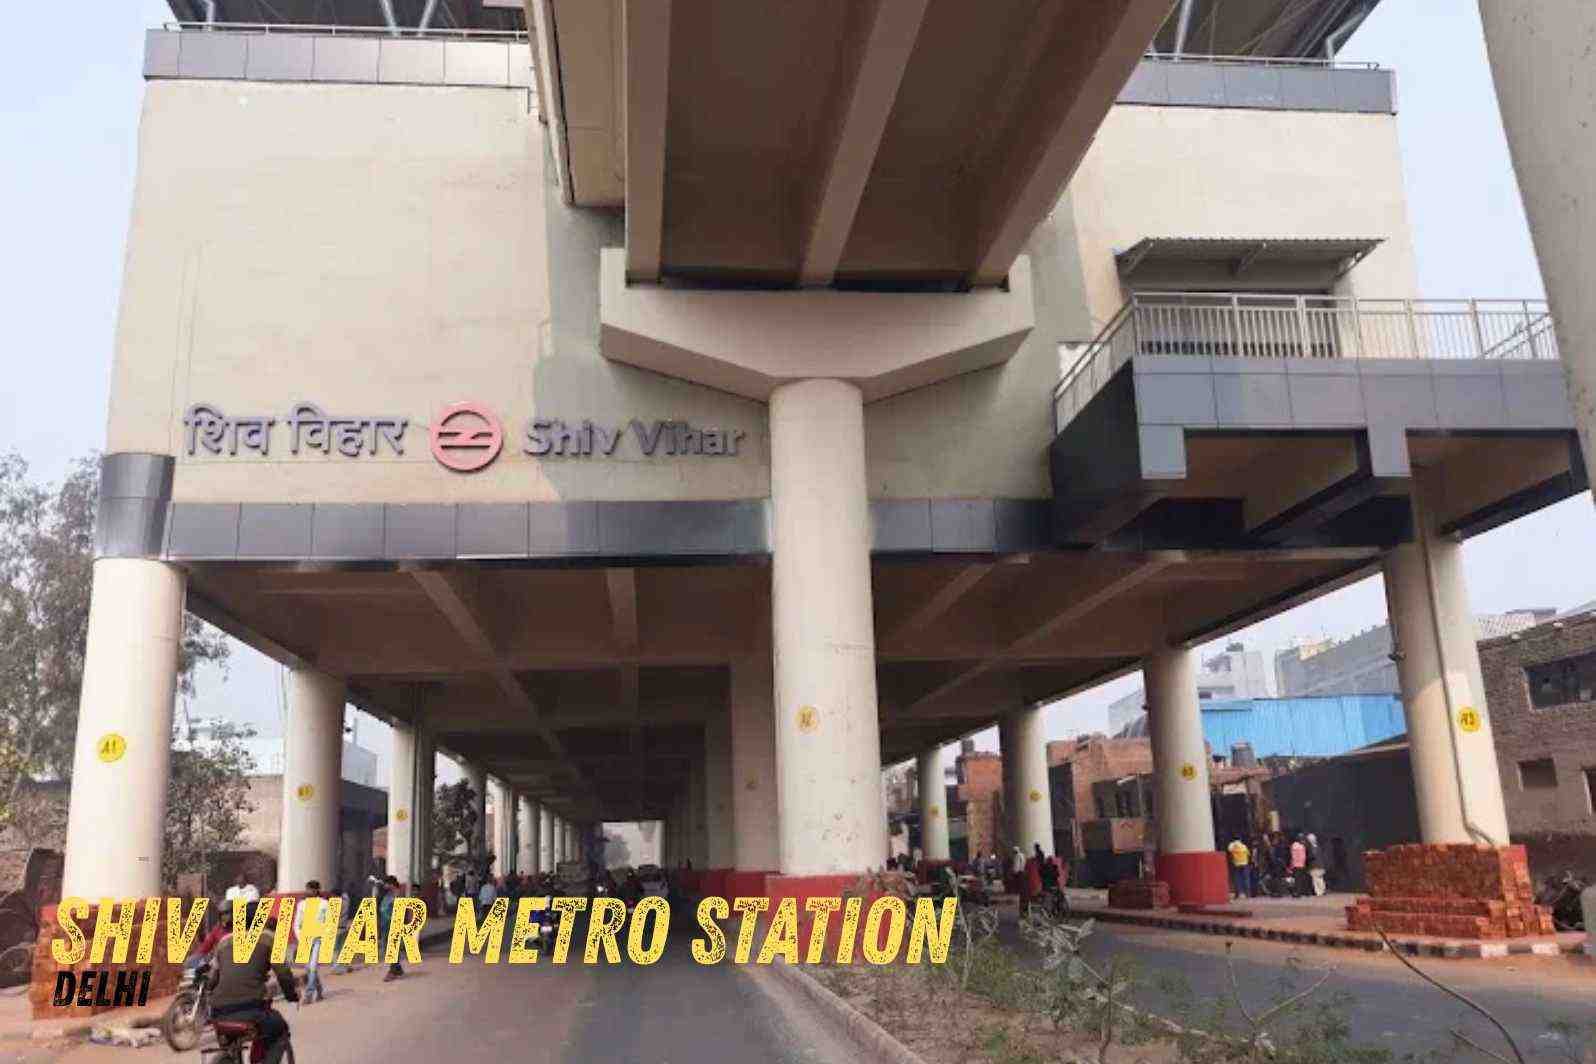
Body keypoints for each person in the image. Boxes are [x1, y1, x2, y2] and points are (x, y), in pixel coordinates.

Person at [207, 902, 299, 1064]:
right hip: (252, 1010)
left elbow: (212, 980)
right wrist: (292, 995)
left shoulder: (224, 942)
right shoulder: (269, 938)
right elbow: (283, 974)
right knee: (280, 1030)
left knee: (228, 1043)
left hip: (219, 1013)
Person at [292, 881, 327, 1005]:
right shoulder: (301, 905)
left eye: (311, 890)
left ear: (317, 890)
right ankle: (319, 988)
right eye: (307, 889)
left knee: (312, 967)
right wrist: (300, 938)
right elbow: (297, 923)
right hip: (305, 939)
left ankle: (308, 994)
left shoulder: (324, 904)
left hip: (318, 939)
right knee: (308, 968)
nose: (308, 892)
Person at [378, 876, 405, 982]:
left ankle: (392, 971)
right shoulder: (388, 894)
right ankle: (397, 968)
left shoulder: (398, 895)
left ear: (391, 884)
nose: (384, 886)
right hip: (385, 924)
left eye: (386, 884)